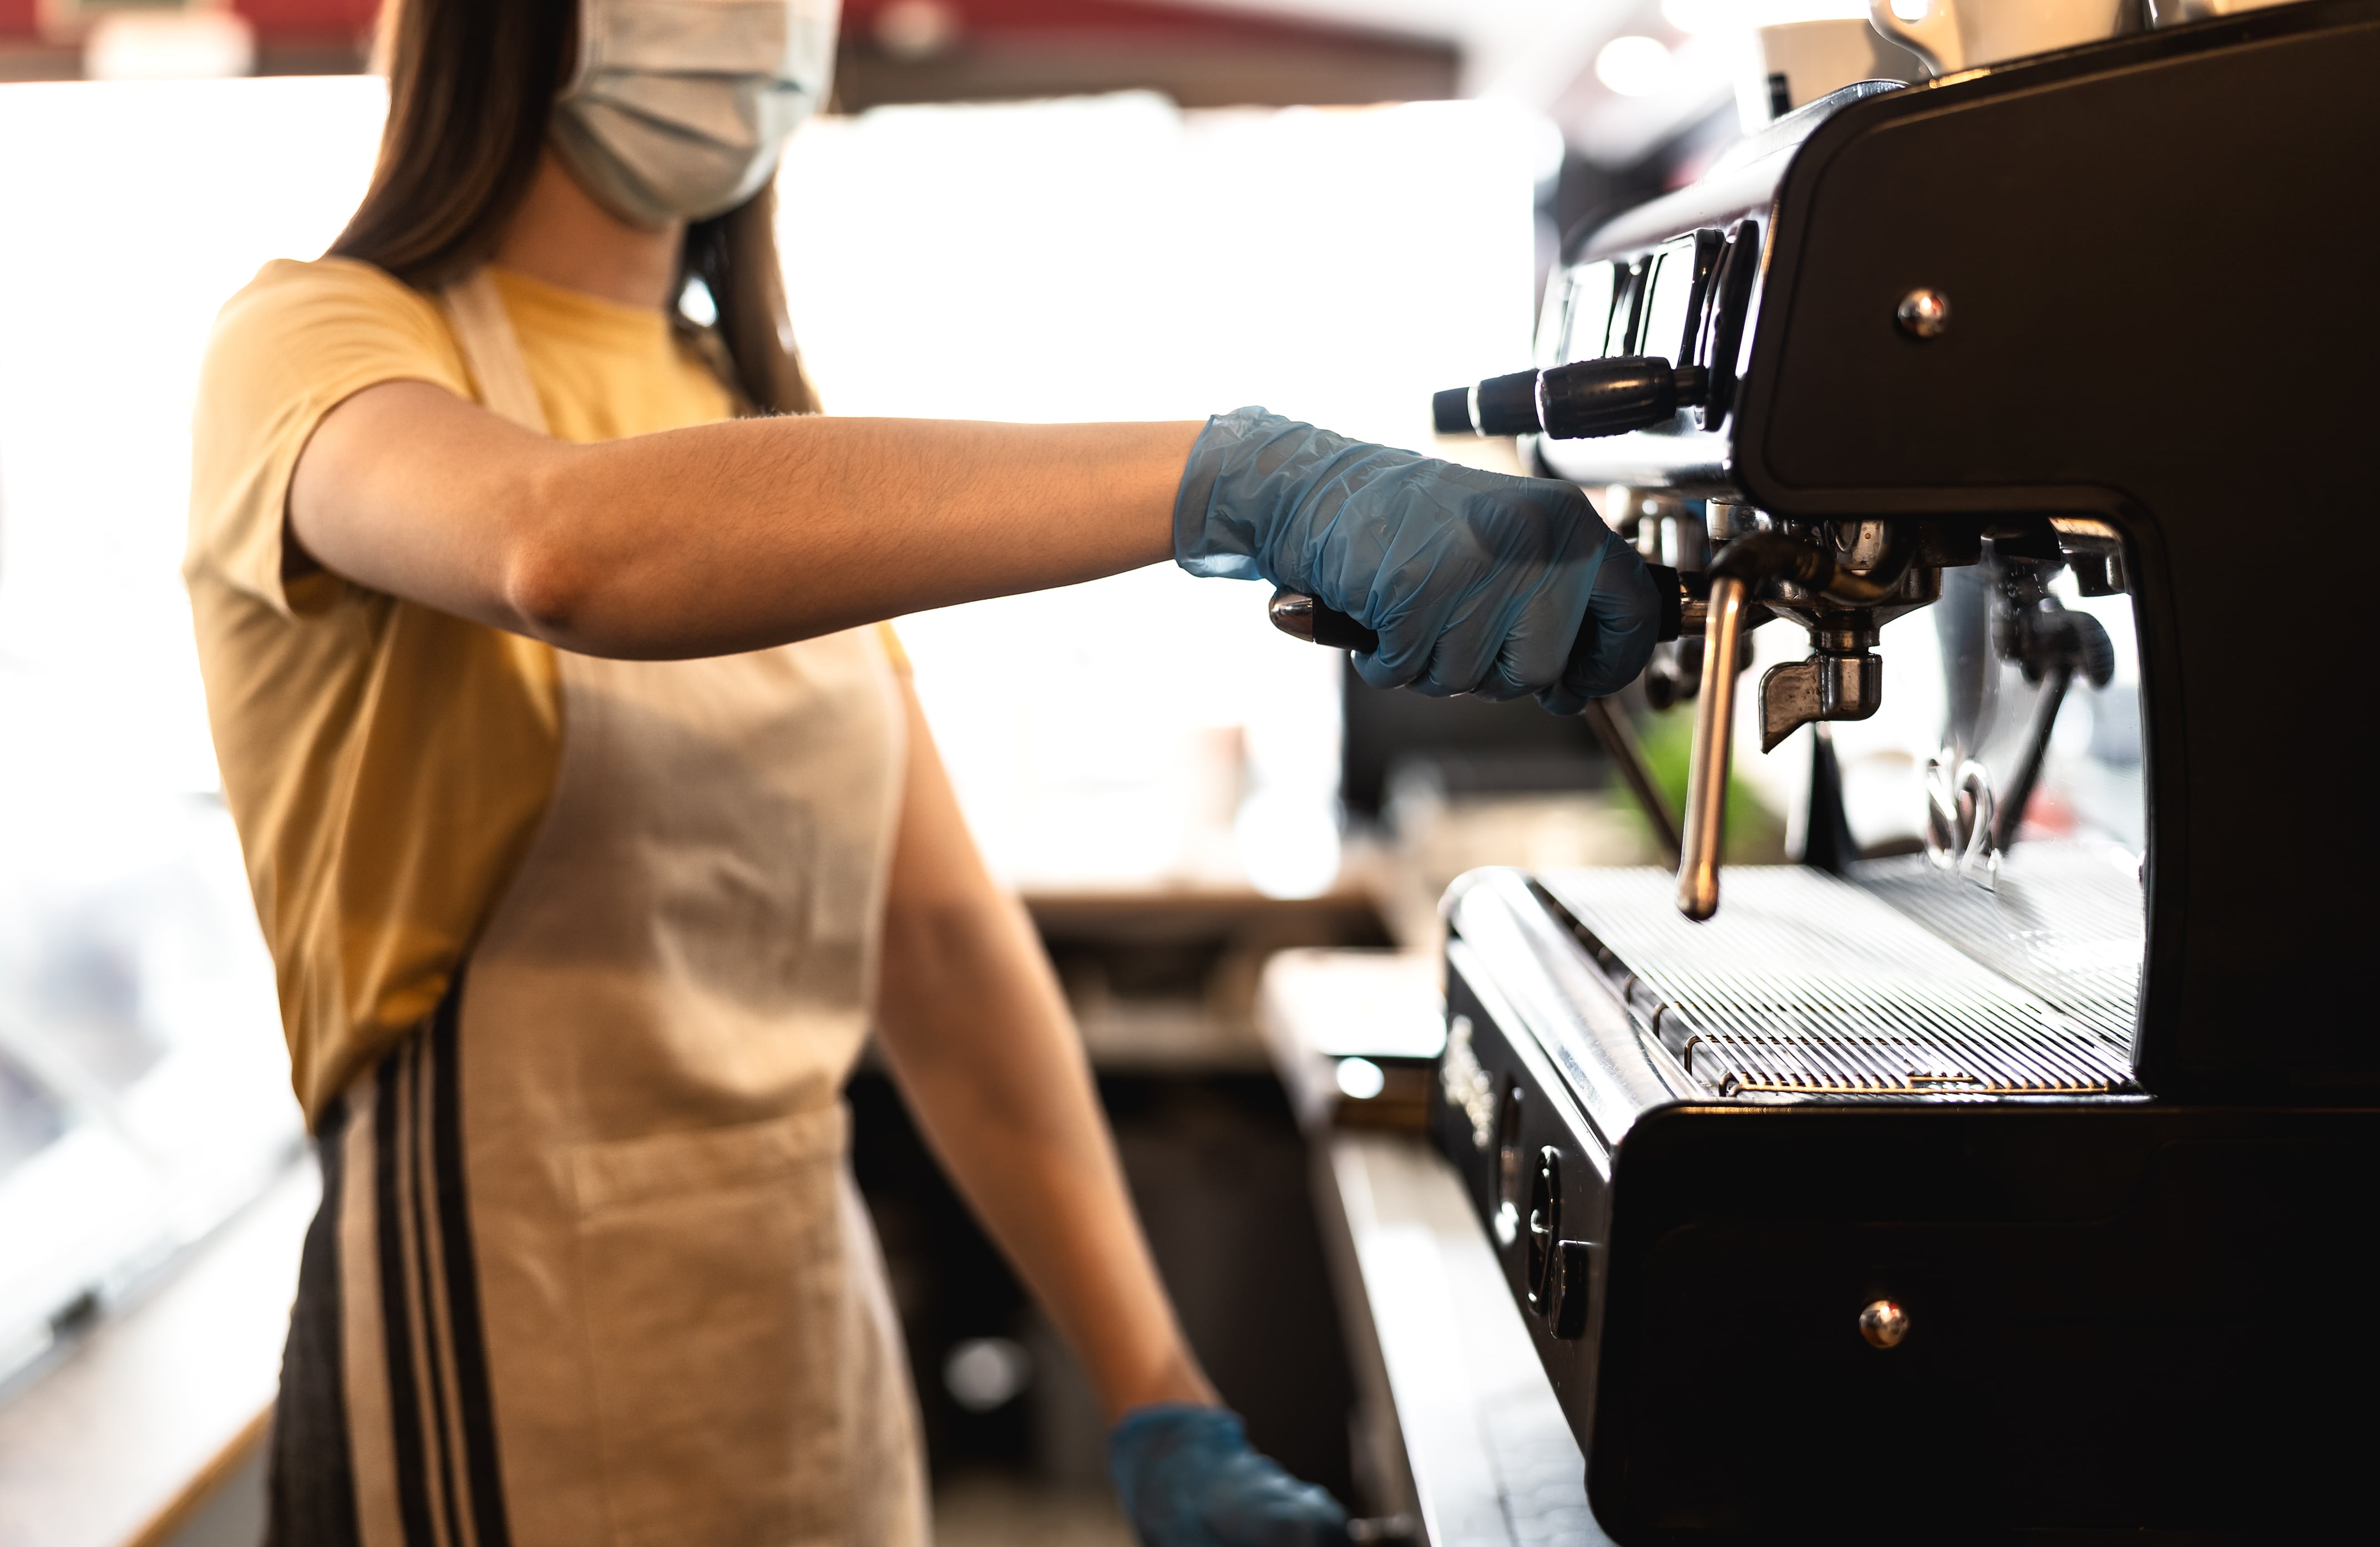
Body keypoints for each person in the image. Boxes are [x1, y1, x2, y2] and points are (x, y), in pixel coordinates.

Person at [183, 0, 1657, 1542]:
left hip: (797, 1336)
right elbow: (560, 546)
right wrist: (1233, 482)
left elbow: (942, 948)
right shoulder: (321, 337)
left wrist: (1157, 1394)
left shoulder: (737, 411)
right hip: (486, 1332)